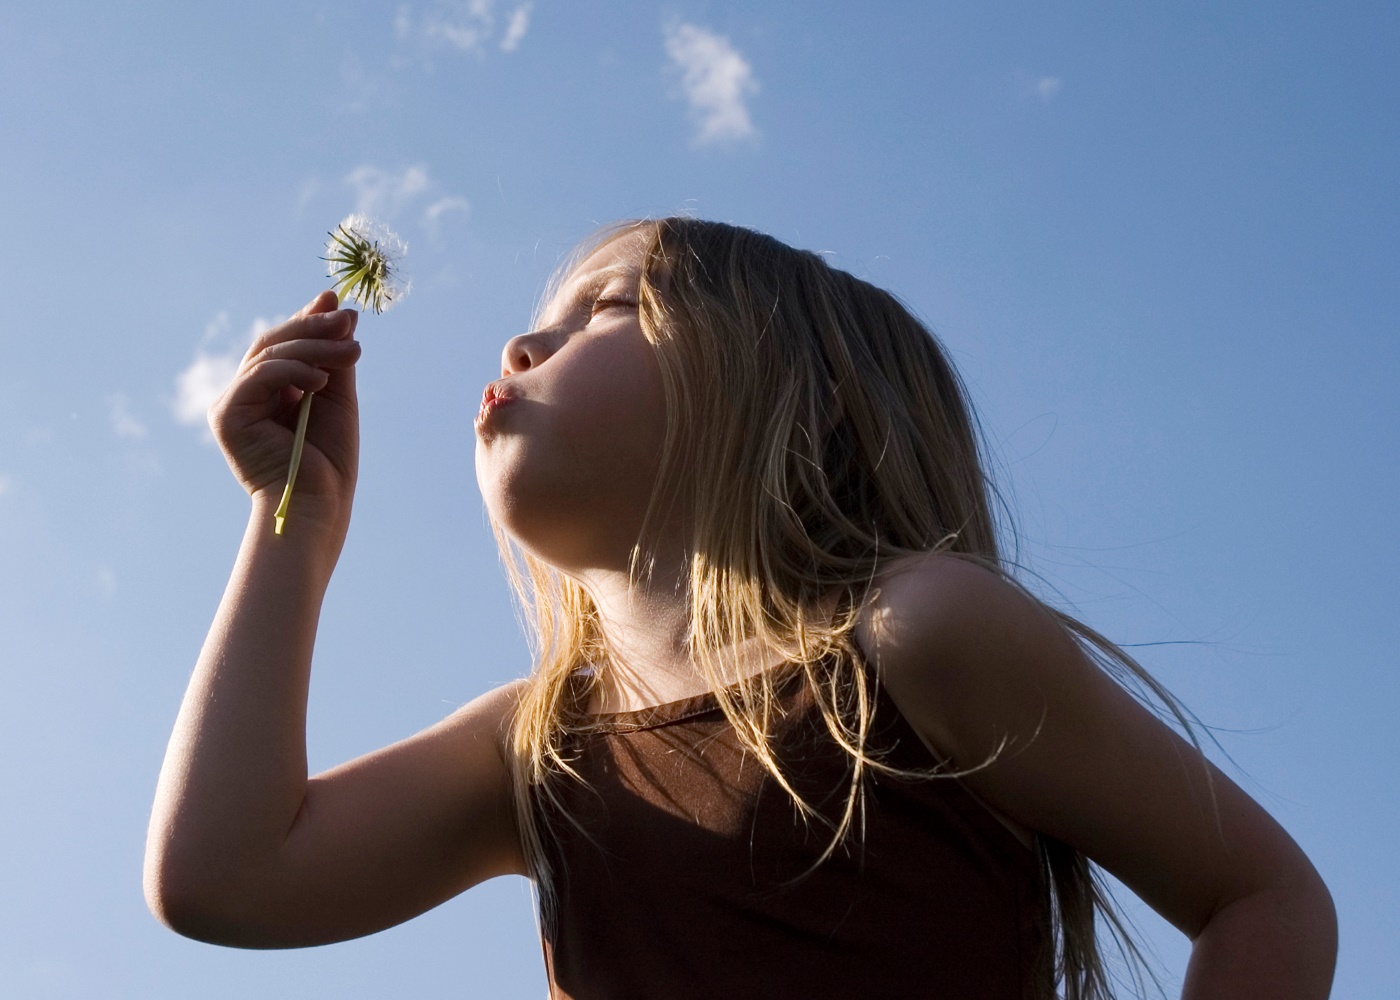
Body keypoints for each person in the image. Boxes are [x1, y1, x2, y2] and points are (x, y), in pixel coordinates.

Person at [145, 218, 1337, 999]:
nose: (521, 340)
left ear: (790, 387)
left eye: (605, 307)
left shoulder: (913, 634)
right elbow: (224, 878)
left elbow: (1262, 896)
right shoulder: (538, 745)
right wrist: (293, 520)